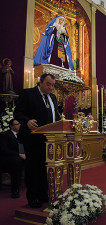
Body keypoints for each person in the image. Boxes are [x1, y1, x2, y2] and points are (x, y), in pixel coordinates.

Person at [14, 73, 61, 208]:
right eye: (48, 84)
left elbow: (55, 116)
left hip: (49, 140)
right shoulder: (27, 93)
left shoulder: (52, 97)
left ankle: (43, 193)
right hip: (32, 139)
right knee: (33, 168)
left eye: (52, 85)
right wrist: (27, 121)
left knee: (45, 168)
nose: (51, 87)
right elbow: (17, 113)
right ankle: (33, 196)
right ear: (40, 82)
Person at [0, 119, 25, 198]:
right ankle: (15, 190)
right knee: (16, 161)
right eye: (17, 124)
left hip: (20, 157)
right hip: (7, 159)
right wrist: (19, 154)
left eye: (19, 123)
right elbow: (4, 150)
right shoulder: (5, 135)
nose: (19, 125)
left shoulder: (22, 135)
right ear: (11, 126)